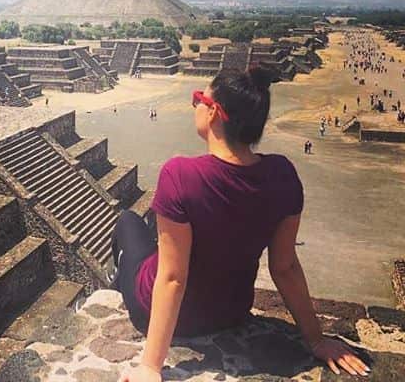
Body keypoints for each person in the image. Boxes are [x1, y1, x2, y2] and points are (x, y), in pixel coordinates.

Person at [112, 67, 368, 380]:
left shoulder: (179, 175)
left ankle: (117, 285)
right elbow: (284, 267)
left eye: (199, 100)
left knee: (128, 223)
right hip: (230, 314)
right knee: (159, 230)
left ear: (214, 112)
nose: (196, 106)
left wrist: (150, 367)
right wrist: (315, 340)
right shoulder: (283, 175)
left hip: (153, 307)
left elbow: (172, 278)